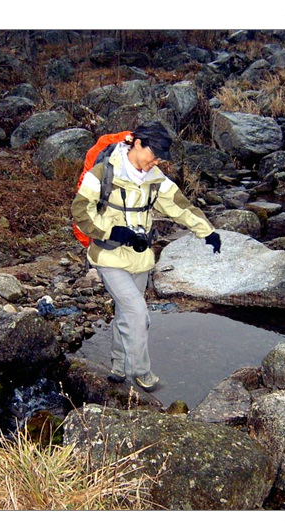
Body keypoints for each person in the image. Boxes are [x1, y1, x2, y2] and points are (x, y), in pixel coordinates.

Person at [71, 121, 221, 392]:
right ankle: (142, 372)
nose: (156, 162)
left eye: (160, 158)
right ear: (138, 144)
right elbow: (81, 212)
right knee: (138, 313)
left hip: (140, 259)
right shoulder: (103, 173)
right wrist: (111, 231)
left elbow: (179, 206)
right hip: (108, 256)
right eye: (154, 155)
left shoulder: (155, 179)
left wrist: (207, 232)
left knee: (126, 314)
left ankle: (118, 366)